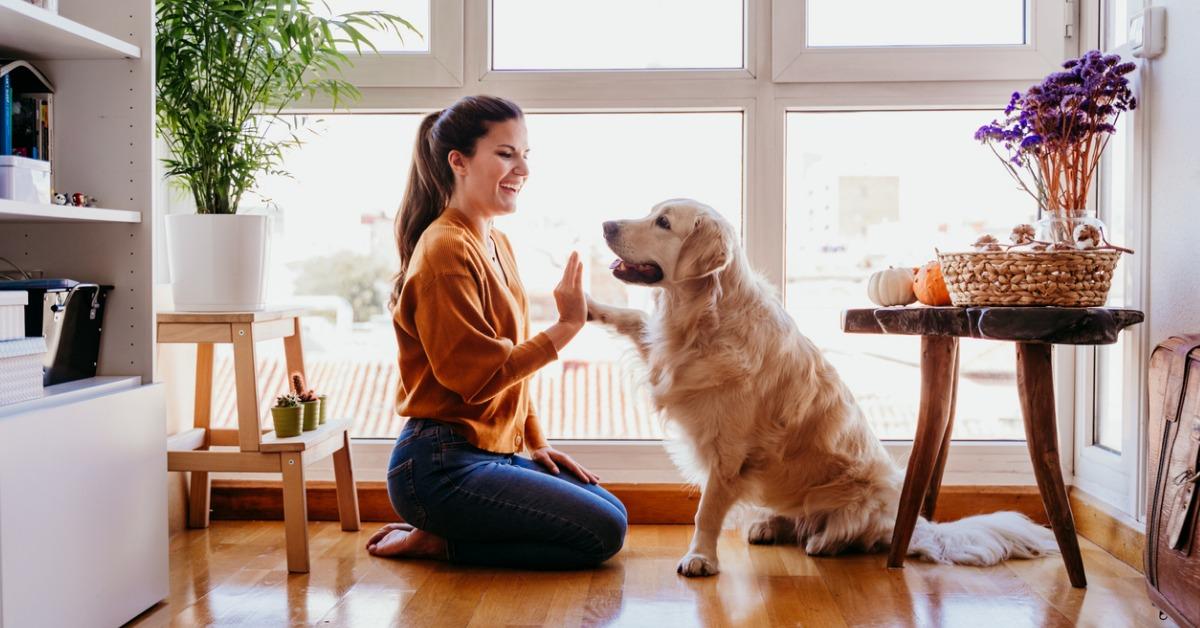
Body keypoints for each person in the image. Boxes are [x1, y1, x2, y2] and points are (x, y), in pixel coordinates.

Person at [366, 95, 628, 569]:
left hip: (490, 451)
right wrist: (568, 325)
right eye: (506, 154)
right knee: (602, 533)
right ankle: (439, 541)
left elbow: (510, 372)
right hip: (437, 465)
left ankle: (446, 533)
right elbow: (478, 379)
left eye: (526, 155)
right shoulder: (445, 250)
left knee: (613, 512)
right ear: (459, 162)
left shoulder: (494, 240)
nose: (522, 169)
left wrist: (536, 441)